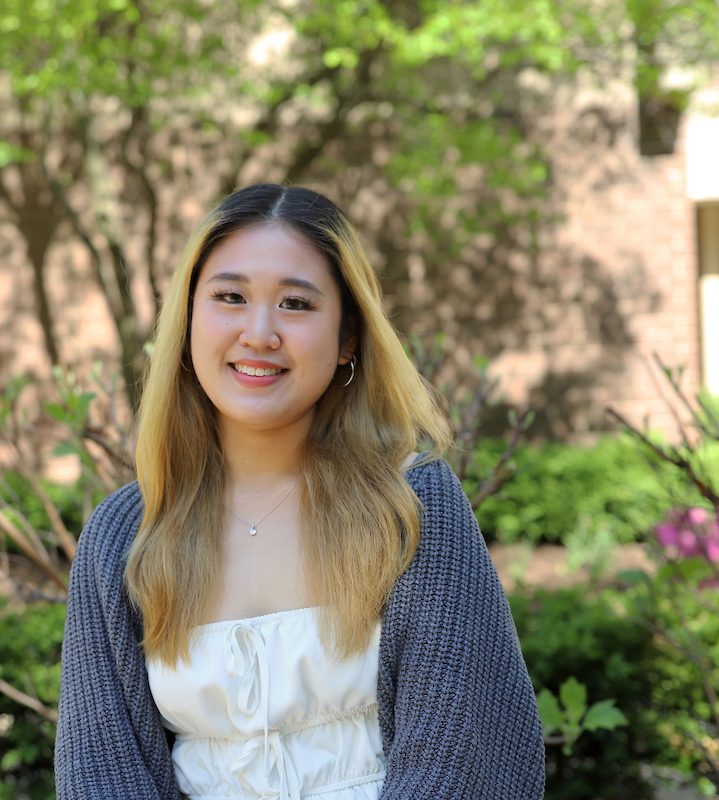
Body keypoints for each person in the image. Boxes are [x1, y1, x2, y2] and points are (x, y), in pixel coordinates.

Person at [54, 184, 545, 799]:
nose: (259, 333)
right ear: (187, 320)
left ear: (347, 339)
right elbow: (100, 778)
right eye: (230, 297)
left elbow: (461, 764)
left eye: (296, 303)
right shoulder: (124, 534)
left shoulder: (411, 507)